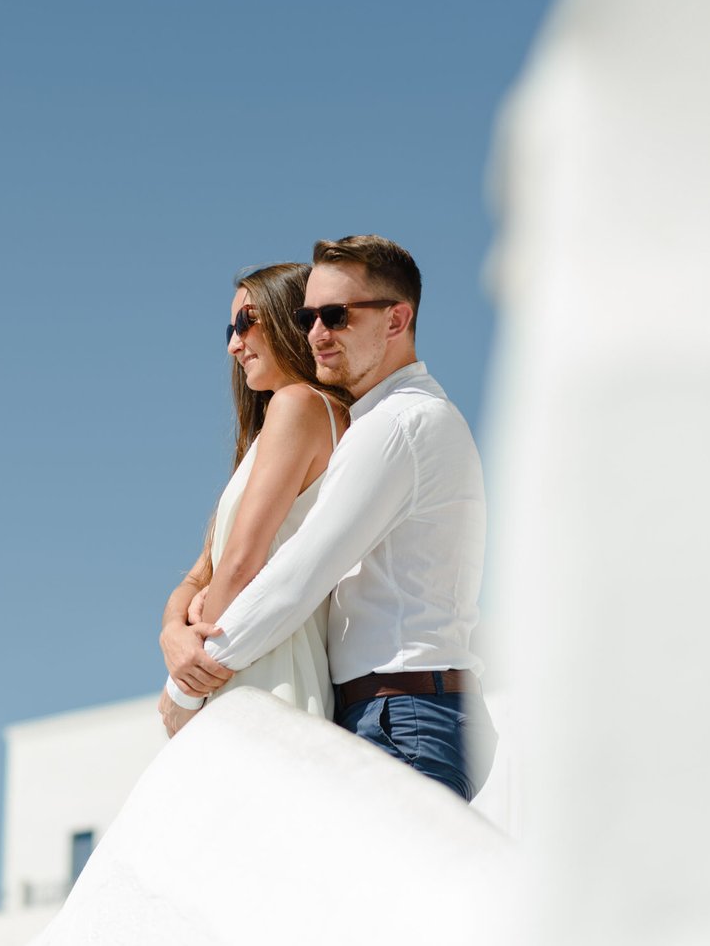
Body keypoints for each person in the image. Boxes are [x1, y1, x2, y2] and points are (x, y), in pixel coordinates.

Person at [160, 235, 495, 800]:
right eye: (307, 316)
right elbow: (215, 568)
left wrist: (187, 686)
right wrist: (175, 630)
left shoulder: (401, 424)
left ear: (397, 320)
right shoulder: (372, 424)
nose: (316, 332)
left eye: (335, 316)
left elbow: (296, 575)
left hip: (403, 715)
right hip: (385, 712)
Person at [156, 262, 351, 732]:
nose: (233, 343)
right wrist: (171, 634)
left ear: (289, 318)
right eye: (230, 327)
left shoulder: (300, 405)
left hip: (262, 666)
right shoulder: (275, 428)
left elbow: (241, 564)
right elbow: (203, 570)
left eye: (247, 321)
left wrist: (185, 685)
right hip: (234, 659)